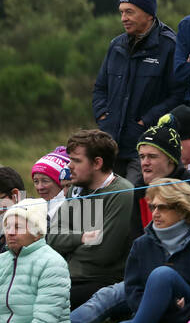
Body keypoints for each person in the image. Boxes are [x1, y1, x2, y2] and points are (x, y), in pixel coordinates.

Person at [49, 180, 190, 323]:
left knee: (162, 274)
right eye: (153, 206)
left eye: (162, 208)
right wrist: (154, 309)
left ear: (182, 209)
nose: (155, 213)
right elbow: (132, 291)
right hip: (152, 319)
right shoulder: (142, 244)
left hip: (188, 319)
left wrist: (179, 308)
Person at [92, 0, 185, 183]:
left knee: (133, 199)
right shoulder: (116, 45)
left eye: (130, 12)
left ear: (149, 14)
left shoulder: (169, 46)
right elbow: (100, 88)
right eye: (122, 12)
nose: (124, 18)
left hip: (143, 148)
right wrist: (102, 116)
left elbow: (178, 95)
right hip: (110, 146)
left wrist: (146, 121)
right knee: (104, 200)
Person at [45, 130, 134, 309]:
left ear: (97, 163)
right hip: (68, 276)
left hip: (100, 281)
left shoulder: (121, 193)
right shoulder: (76, 190)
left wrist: (69, 250)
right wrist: (81, 238)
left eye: (77, 160)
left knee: (43, 303)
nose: (69, 166)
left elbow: (103, 253)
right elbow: (53, 238)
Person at [135, 117, 190, 254]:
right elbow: (135, 237)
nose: (145, 163)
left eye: (152, 157)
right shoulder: (139, 188)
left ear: (170, 159)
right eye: (142, 157)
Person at [1, 199, 70, 323]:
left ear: (37, 231)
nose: (10, 232)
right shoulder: (2, 260)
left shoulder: (52, 263)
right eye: (7, 226)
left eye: (18, 227)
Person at [29, 148, 70, 216]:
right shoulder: (33, 210)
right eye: (36, 181)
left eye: (45, 181)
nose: (39, 187)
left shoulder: (70, 212)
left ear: (62, 182)